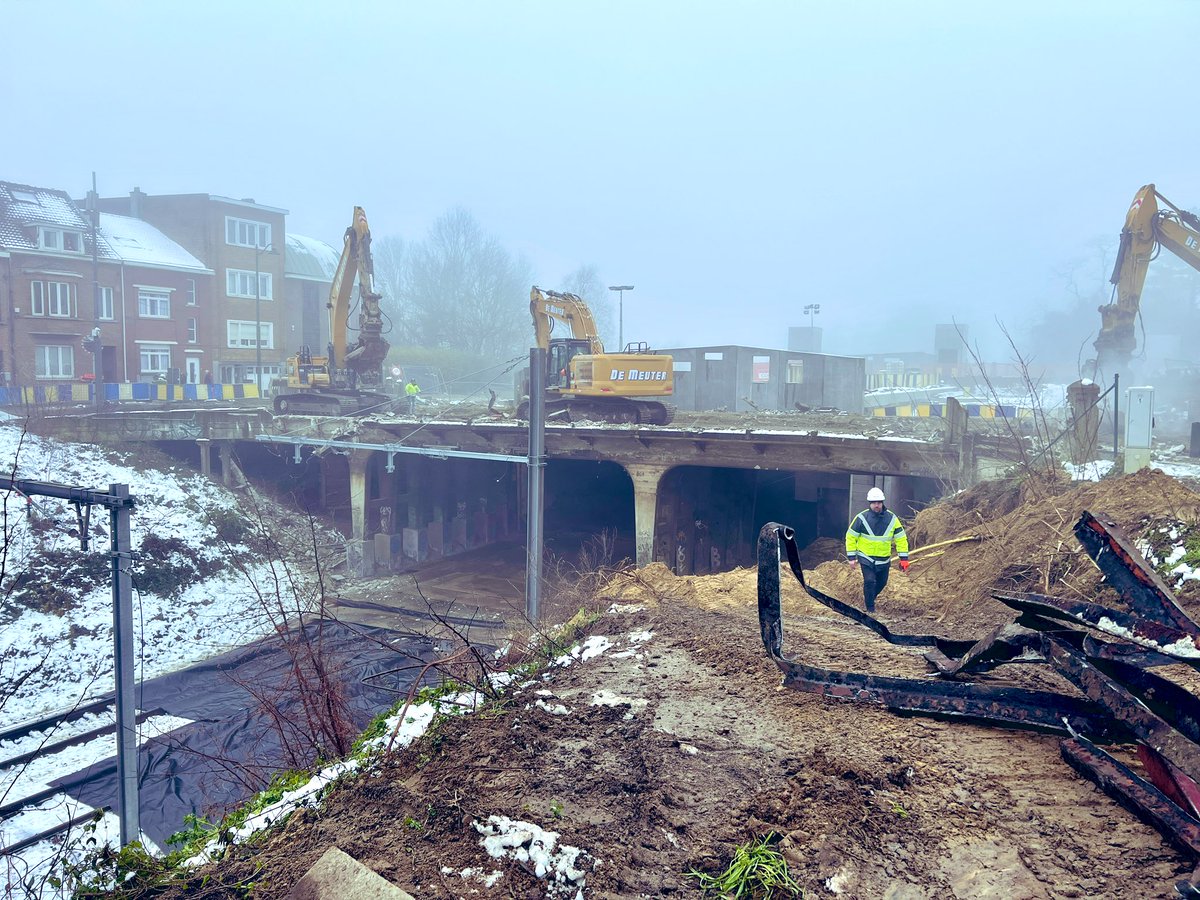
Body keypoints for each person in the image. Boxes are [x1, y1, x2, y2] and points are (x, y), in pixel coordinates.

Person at [845, 486, 909, 613]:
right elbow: (851, 536)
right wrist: (852, 557)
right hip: (866, 557)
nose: (876, 505)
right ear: (869, 504)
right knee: (870, 581)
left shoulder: (892, 519)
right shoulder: (861, 518)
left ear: (882, 503)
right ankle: (870, 609)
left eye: (879, 502)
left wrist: (904, 559)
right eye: (874, 503)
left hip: (884, 559)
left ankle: (869, 599)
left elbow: (901, 539)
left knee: (882, 583)